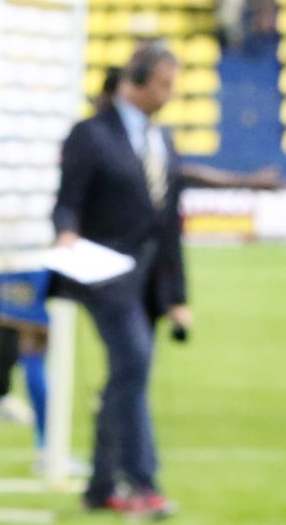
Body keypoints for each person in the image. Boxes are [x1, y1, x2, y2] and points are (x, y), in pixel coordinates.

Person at [53, 43, 188, 517]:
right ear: (136, 81)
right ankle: (141, 483)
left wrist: (177, 296)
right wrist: (66, 233)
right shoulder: (90, 134)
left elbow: (169, 226)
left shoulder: (163, 139)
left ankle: (100, 486)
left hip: (148, 282)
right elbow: (67, 201)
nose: (170, 94)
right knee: (132, 362)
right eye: (164, 84)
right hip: (103, 276)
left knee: (127, 375)